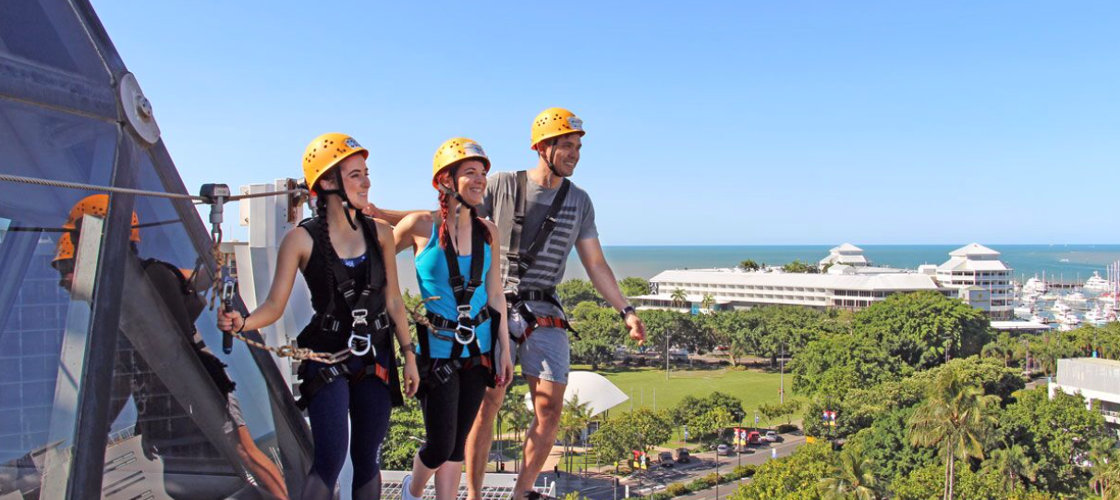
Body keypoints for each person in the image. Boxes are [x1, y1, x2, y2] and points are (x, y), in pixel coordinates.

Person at [372, 108, 646, 499]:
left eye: (578, 146)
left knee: (550, 409)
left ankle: (520, 493)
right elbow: (449, 216)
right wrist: (379, 214)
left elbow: (596, 263)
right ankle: (474, 494)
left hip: (544, 308)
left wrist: (627, 310)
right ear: (541, 147)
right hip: (494, 305)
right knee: (487, 403)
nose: (575, 154)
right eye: (566, 145)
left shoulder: (579, 202)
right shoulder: (501, 185)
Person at [218, 133, 420, 500]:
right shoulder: (301, 240)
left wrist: (408, 356)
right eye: (356, 174)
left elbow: (393, 301)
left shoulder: (382, 234)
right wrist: (243, 322)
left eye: (366, 173)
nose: (367, 182)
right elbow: (274, 305)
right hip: (327, 353)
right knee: (329, 458)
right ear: (328, 183)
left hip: (375, 353)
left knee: (366, 459)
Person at [53, 194, 289, 499]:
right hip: (173, 404)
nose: (64, 279)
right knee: (187, 479)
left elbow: (168, 355)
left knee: (243, 451)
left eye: (66, 269)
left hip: (200, 387)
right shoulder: (117, 299)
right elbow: (131, 371)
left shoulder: (148, 280)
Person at [392, 138, 513, 500]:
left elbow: (495, 294)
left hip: (478, 347)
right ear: (446, 181)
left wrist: (504, 348)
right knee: (440, 443)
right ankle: (412, 491)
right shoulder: (420, 227)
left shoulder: (487, 231)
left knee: (458, 443)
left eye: (483, 174)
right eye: (470, 173)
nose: (480, 180)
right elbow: (378, 264)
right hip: (438, 349)